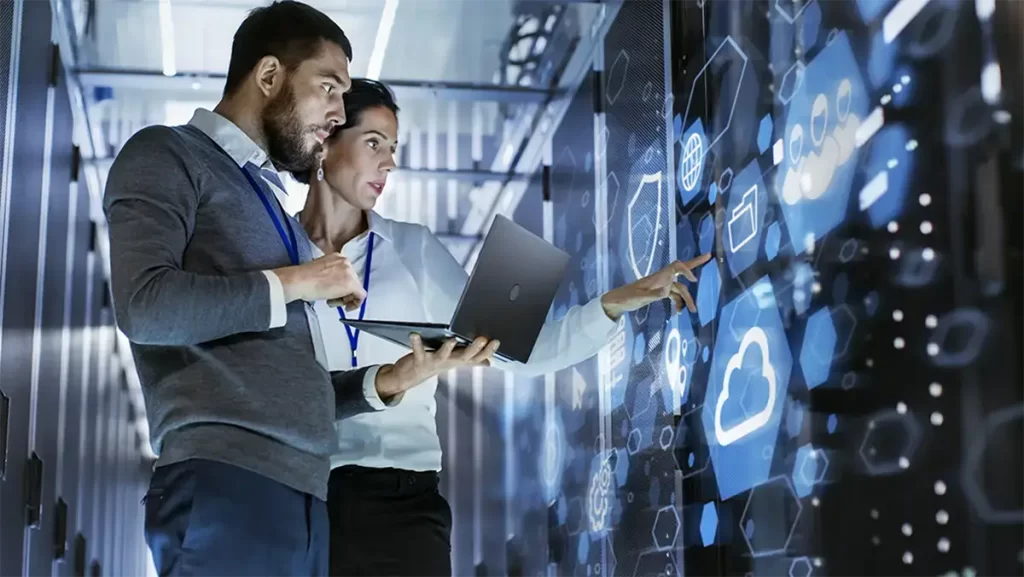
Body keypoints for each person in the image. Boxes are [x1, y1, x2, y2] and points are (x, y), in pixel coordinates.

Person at [103, 4, 496, 576]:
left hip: (304, 497)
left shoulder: (273, 212)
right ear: (269, 77)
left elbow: (290, 382)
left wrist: (392, 381)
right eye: (328, 88)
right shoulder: (167, 154)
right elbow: (145, 306)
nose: (337, 113)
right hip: (226, 481)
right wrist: (300, 280)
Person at [293, 78, 713, 577]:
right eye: (373, 143)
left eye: (394, 149)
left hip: (405, 501)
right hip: (308, 497)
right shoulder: (278, 257)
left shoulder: (414, 249)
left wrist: (616, 302)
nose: (389, 163)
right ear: (326, 141)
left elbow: (524, 352)